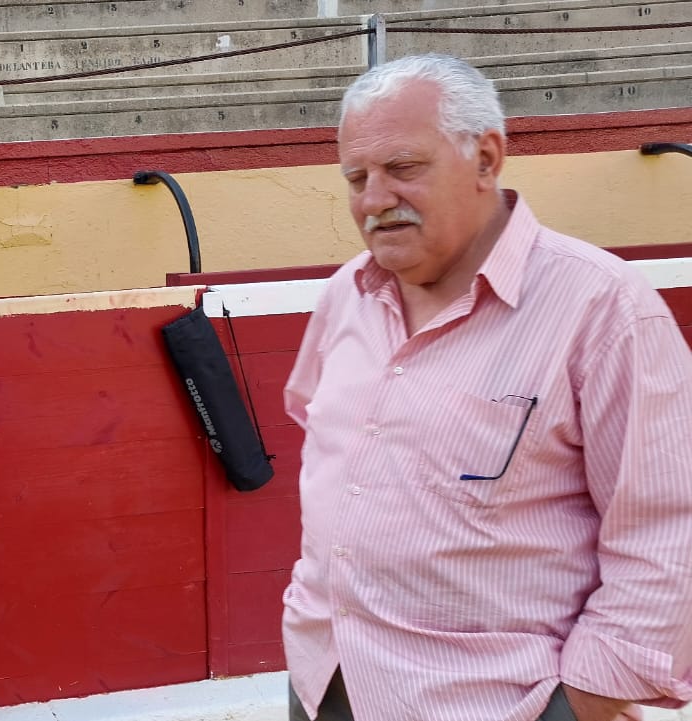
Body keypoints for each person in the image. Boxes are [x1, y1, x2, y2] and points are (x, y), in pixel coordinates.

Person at [282, 53, 692, 721]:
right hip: (326, 681)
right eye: (357, 178)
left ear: (486, 157)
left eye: (403, 168)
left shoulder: (601, 306)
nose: (374, 200)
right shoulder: (344, 296)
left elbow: (671, 530)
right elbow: (333, 459)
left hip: (501, 701)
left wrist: (583, 698)